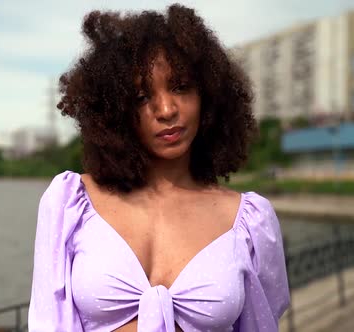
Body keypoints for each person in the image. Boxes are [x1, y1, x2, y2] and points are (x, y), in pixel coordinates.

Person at [28, 4, 290, 332]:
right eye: (140, 96)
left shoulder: (250, 221)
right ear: (114, 110)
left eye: (181, 87)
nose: (166, 109)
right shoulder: (71, 204)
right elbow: (48, 322)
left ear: (208, 96)